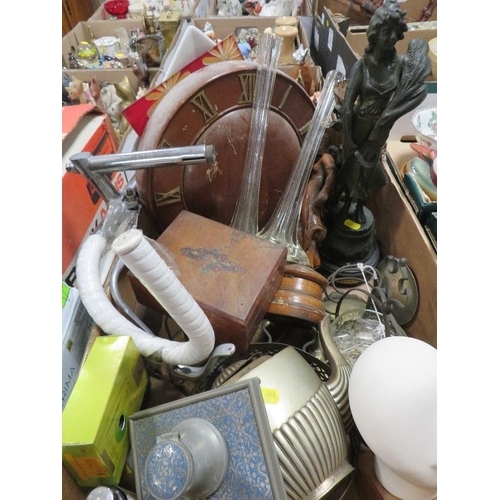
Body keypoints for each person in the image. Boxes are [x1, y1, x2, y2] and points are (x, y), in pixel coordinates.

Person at [338, 0, 431, 224]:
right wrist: (348, 138)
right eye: (386, 31)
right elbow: (348, 106)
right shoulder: (363, 65)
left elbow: (416, 92)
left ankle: (359, 206)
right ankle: (342, 206)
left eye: (394, 33)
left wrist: (390, 115)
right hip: (359, 125)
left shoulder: (399, 65)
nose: (390, 38)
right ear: (376, 32)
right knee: (350, 166)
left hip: (380, 127)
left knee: (368, 170)